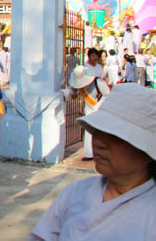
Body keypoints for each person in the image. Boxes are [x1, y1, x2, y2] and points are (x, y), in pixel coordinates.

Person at [29, 83, 156, 240]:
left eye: (115, 136)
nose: (99, 142)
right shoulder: (74, 192)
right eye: (98, 131)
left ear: (148, 154)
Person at [63, 66, 110, 160]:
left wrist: (98, 106)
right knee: (89, 132)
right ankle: (89, 154)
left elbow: (108, 95)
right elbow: (72, 90)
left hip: (100, 110)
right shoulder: (78, 84)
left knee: (102, 133)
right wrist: (63, 93)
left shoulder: (98, 81)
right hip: (88, 111)